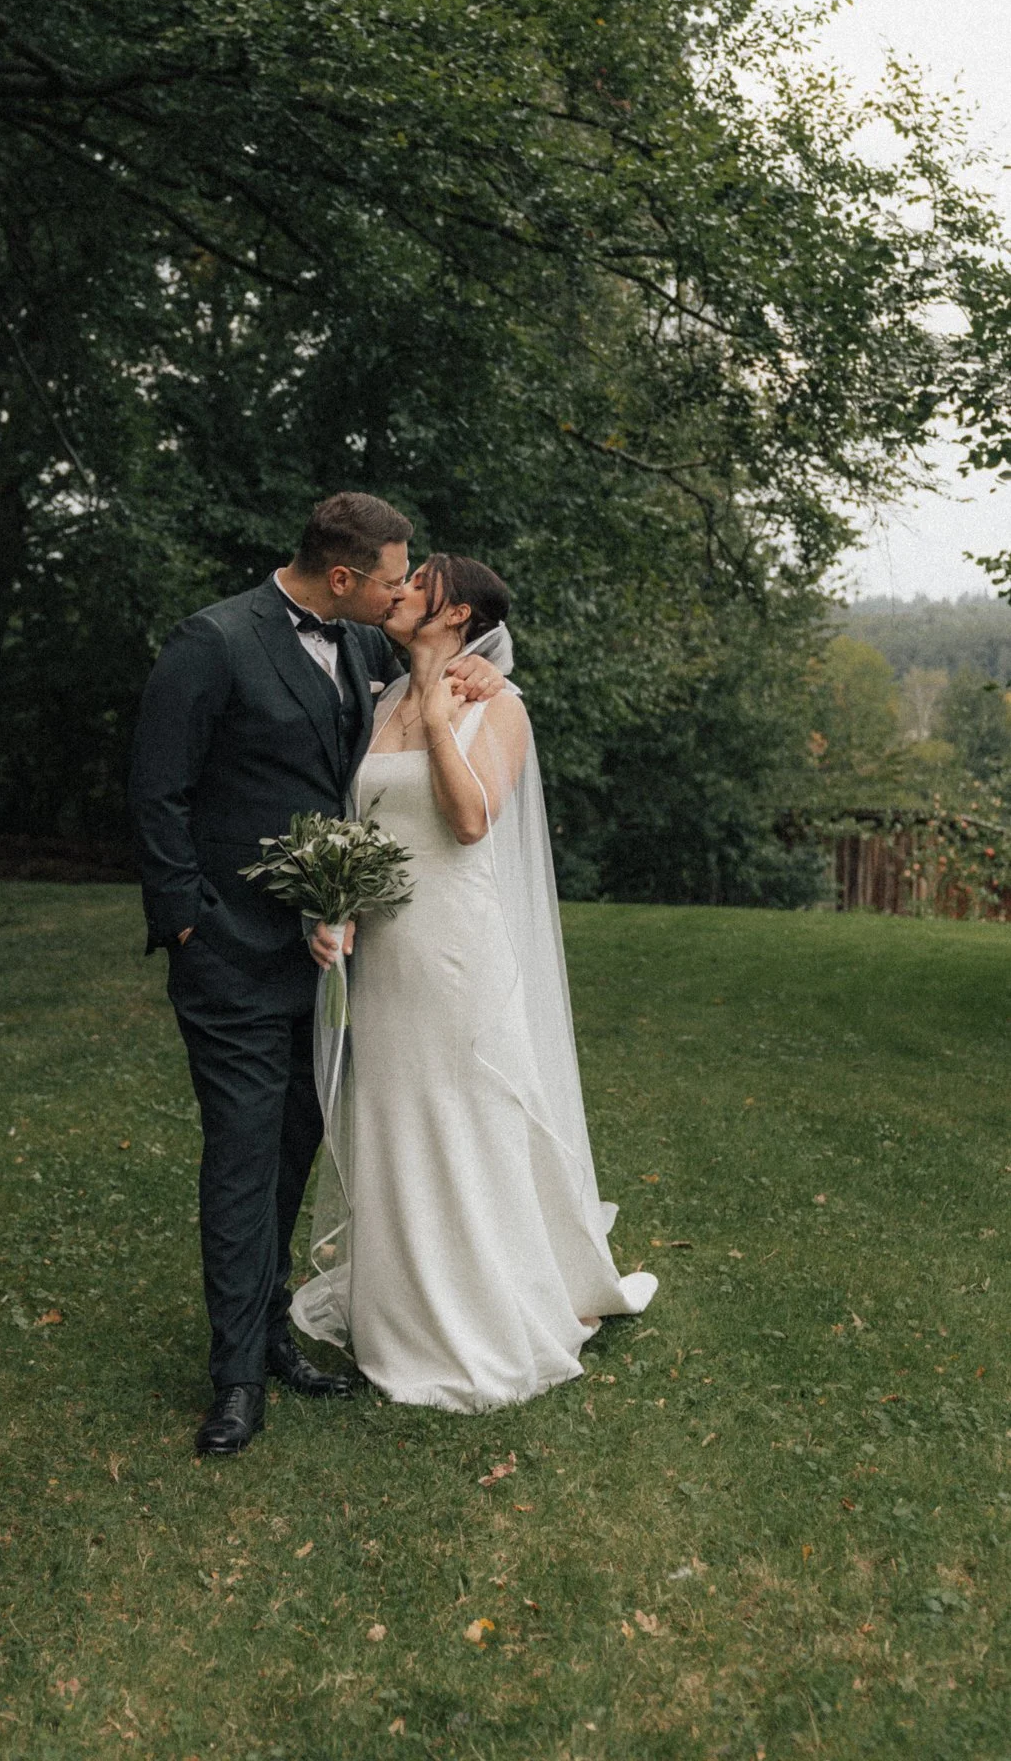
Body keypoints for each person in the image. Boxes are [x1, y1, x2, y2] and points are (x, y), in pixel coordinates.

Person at [128, 496, 506, 1455]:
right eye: (392, 579)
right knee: (243, 1156)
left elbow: (414, 704)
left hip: (331, 961)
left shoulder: (363, 651)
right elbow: (155, 794)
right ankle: (235, 1380)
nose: (400, 596)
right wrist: (186, 929)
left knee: (295, 1148)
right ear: (342, 578)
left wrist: (465, 668)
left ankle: (269, 1331)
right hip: (229, 958)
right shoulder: (211, 644)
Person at [290, 555, 657, 1411]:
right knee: (393, 1118)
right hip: (381, 950)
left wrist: (438, 704)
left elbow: (465, 821)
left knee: (462, 1115)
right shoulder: (378, 697)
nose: (399, 592)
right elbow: (364, 821)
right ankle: (398, 1312)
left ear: (453, 614)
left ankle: (481, 1315)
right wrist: (336, 906)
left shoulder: (497, 705)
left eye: (415, 583)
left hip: (453, 947)